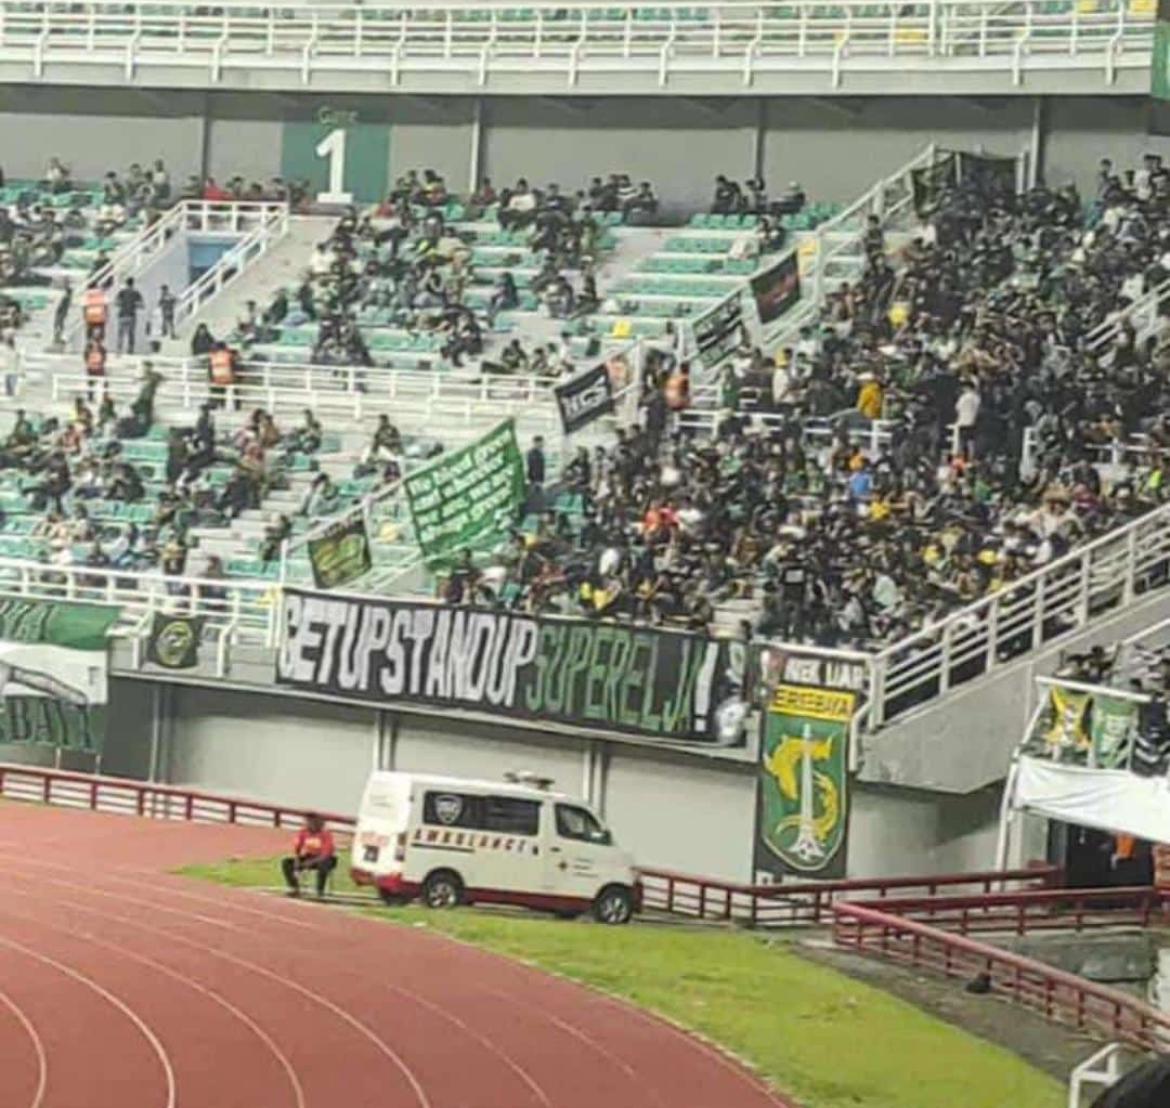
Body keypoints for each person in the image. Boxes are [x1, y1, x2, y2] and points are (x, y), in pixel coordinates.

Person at [280, 813, 337, 898]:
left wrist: (311, 862)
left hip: (325, 859)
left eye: (308, 823)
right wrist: (297, 860)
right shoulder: (303, 832)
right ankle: (294, 888)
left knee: (323, 865)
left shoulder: (326, 834)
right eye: (306, 823)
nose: (306, 825)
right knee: (286, 862)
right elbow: (298, 848)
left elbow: (326, 854)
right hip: (309, 856)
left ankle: (320, 891)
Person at [115, 277, 144, 354]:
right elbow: (141, 305)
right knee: (131, 333)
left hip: (122, 315)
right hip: (131, 315)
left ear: (126, 283)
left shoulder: (121, 292)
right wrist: (134, 304)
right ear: (133, 283)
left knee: (120, 333)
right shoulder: (136, 293)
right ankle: (130, 349)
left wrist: (123, 304)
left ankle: (119, 349)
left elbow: (116, 303)